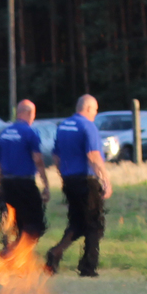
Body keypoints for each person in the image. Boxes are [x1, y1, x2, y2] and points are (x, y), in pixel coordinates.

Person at [45, 94, 112, 276]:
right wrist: (105, 180)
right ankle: (88, 266)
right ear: (88, 108)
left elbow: (56, 156)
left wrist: (63, 176)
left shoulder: (63, 126)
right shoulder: (87, 126)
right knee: (94, 224)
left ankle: (55, 253)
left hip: (69, 180)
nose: (95, 114)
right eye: (95, 110)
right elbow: (93, 156)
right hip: (86, 181)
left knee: (77, 223)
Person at [0, 99, 50, 255]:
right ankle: (11, 253)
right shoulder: (30, 132)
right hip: (24, 183)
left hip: (7, 183)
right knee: (35, 224)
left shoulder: (4, 133)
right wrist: (46, 184)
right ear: (30, 114)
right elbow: (38, 159)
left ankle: (14, 255)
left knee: (14, 222)